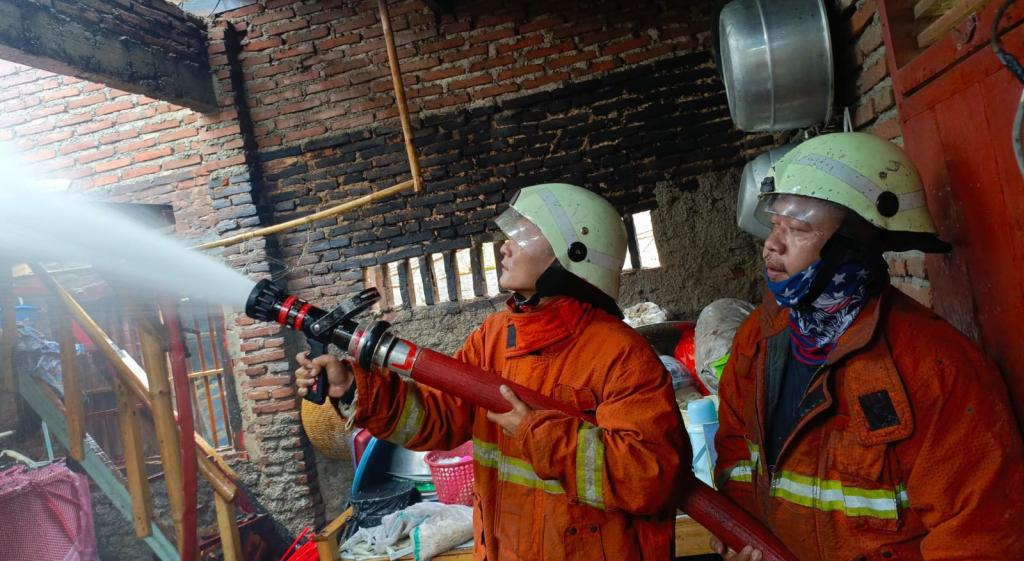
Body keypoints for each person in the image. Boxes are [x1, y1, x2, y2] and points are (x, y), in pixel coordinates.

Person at [297, 183, 689, 561]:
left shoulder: (621, 354)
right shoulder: (495, 338)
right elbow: (437, 418)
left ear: (573, 251)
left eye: (523, 234)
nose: (505, 245)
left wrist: (536, 431)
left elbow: (649, 479)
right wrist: (351, 388)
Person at [711, 132, 1024, 561]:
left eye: (798, 229)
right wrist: (739, 529)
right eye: (775, 224)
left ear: (852, 245)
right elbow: (736, 452)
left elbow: (978, 536)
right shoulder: (759, 338)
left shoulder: (935, 368)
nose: (772, 245)